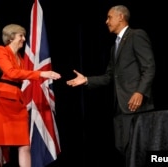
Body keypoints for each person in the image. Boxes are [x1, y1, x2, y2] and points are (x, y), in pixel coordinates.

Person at [66, 5, 155, 167]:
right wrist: (86, 80)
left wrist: (140, 92)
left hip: (136, 106)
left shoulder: (137, 35)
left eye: (109, 17)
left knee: (137, 150)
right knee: (122, 147)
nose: (106, 21)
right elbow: (109, 77)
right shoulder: (115, 45)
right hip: (120, 107)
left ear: (120, 17)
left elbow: (149, 67)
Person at [0, 24, 61, 167]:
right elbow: (11, 73)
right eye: (21, 35)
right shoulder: (1, 51)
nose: (23, 39)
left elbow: (21, 75)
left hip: (17, 103)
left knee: (24, 145)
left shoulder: (20, 58)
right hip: (1, 101)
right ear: (11, 37)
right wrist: (41, 73)